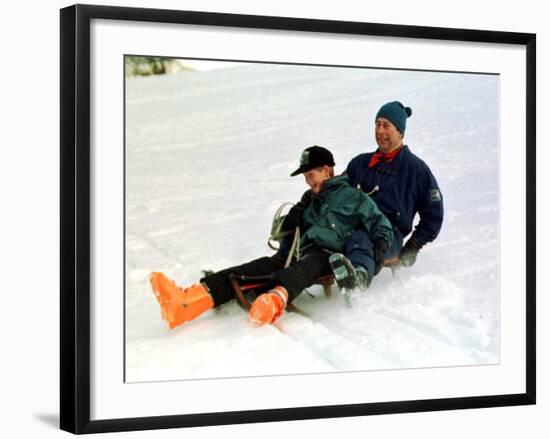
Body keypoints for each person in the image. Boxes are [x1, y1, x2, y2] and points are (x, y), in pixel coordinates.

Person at [149, 145, 393, 330]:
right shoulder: (309, 200)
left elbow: (380, 224)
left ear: (327, 170)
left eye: (312, 175)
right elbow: (281, 233)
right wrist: (293, 217)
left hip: (329, 255)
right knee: (253, 268)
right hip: (297, 251)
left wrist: (379, 248)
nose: (308, 181)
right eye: (305, 177)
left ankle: (274, 301)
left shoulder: (353, 197)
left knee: (306, 266)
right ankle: (186, 302)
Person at [283, 101, 444, 283]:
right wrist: (304, 205)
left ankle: (357, 280)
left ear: (400, 131)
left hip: (386, 236)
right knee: (315, 230)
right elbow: (333, 190)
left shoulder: (416, 170)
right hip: (349, 227)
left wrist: (414, 245)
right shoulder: (360, 164)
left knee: (359, 238)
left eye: (386, 125)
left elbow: (434, 214)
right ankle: (281, 276)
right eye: (377, 124)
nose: (380, 131)